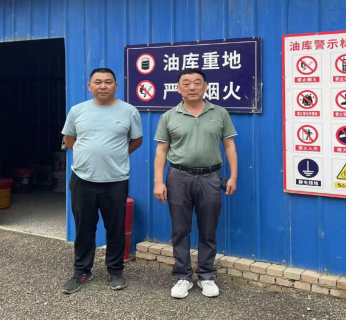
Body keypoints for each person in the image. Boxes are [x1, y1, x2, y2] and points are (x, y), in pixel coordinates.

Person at [153, 68, 238, 298]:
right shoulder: (169, 116)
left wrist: (233, 176)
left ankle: (206, 276)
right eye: (186, 83)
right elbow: (161, 151)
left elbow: (229, 145)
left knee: (208, 228)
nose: (192, 87)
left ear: (206, 86)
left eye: (197, 82)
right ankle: (183, 276)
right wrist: (158, 181)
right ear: (178, 88)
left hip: (210, 177)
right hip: (178, 177)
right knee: (180, 229)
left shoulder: (219, 113)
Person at [61, 68, 143, 294]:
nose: (103, 86)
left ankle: (115, 271)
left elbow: (136, 140)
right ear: (90, 86)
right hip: (82, 179)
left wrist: (114, 157)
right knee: (84, 228)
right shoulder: (77, 110)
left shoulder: (129, 111)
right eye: (98, 82)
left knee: (115, 227)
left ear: (116, 86)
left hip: (115, 180)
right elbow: (69, 139)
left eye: (108, 82)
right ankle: (82, 271)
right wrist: (88, 156)